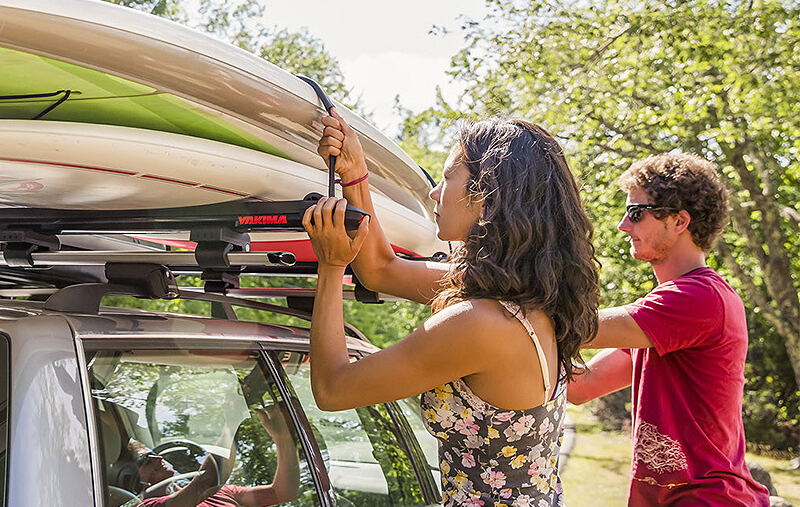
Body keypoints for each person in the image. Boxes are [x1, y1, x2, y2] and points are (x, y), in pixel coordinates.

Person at [302, 110, 600, 507]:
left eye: (446, 178)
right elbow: (381, 270)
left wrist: (331, 266)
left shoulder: (479, 325)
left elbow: (332, 388)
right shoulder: (528, 304)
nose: (434, 193)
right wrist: (355, 175)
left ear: (486, 193)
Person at [567, 152, 770, 506]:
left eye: (635, 213)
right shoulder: (661, 318)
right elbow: (582, 387)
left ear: (679, 221)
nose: (622, 226)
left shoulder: (700, 298)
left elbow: (573, 326)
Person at [132, 406, 300, 507]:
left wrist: (284, 439)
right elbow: (204, 484)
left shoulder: (221, 491)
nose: (158, 458)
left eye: (153, 454)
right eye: (145, 459)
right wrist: (232, 421)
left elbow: (283, 492)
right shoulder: (148, 506)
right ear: (127, 475)